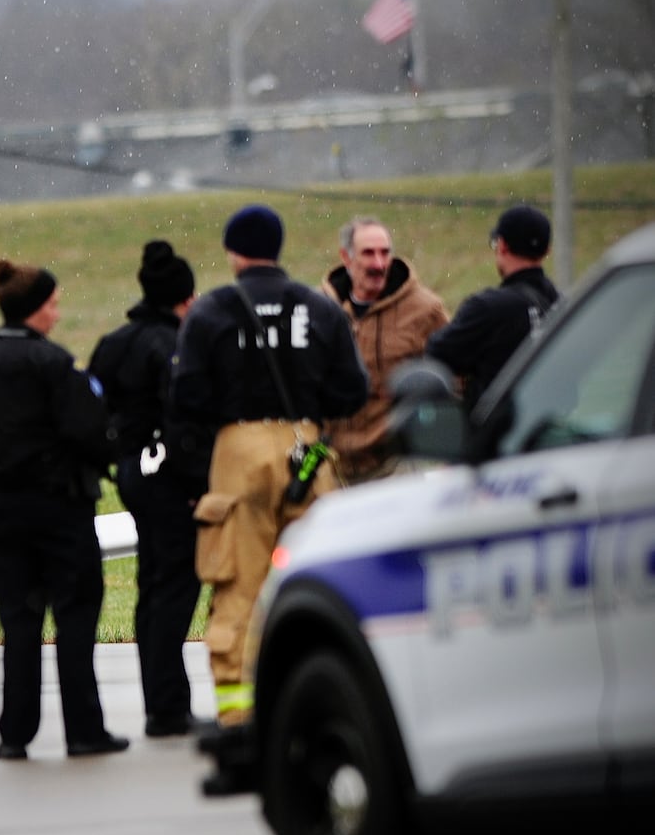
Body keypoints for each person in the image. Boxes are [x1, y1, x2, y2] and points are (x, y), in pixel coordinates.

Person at [170, 205, 368, 727]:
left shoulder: (210, 312)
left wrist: (200, 470)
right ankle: (319, 703)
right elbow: (352, 391)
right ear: (278, 248)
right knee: (319, 581)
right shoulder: (320, 310)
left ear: (234, 251)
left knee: (238, 586)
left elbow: (187, 398)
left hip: (238, 451)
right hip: (307, 446)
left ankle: (238, 716)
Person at [0, 259, 129, 760]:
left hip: (5, 514)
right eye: (53, 304)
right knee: (76, 619)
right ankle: (84, 731)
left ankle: (15, 735)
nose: (57, 315)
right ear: (34, 310)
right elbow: (89, 432)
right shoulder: (52, 364)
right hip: (63, 513)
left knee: (20, 625)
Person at [88, 240, 205, 738]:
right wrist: (200, 483)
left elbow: (89, 409)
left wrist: (115, 459)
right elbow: (183, 420)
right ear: (184, 298)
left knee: (152, 585)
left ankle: (162, 700)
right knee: (176, 588)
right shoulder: (178, 345)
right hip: (171, 480)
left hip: (134, 477)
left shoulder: (114, 343)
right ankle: (168, 706)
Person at [319, 216, 450, 483]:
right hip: (330, 467)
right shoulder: (318, 309)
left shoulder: (425, 310)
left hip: (394, 465)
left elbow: (458, 378)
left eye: (385, 253)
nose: (379, 264)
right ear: (346, 257)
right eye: (368, 254)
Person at [427, 204, 560, 411]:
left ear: (502, 245)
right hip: (552, 427)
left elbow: (437, 352)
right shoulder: (561, 305)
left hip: (498, 434)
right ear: (547, 251)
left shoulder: (486, 308)